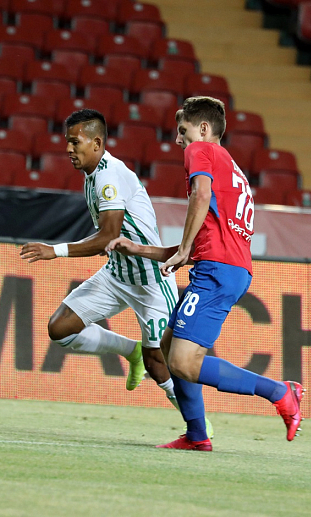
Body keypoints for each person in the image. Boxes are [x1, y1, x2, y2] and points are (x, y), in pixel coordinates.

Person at [106, 96, 304, 451]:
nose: (178, 140)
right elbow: (202, 242)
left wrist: (184, 249)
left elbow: (199, 196)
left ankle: (280, 391)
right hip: (226, 268)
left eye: (183, 131)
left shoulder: (202, 150)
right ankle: (197, 434)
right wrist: (140, 249)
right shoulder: (231, 167)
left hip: (217, 271)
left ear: (202, 128)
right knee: (168, 346)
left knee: (183, 362)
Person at [20, 109, 213, 436]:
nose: (68, 149)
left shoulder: (109, 176)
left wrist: (56, 250)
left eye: (75, 142)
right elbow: (110, 238)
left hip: (151, 280)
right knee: (60, 329)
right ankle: (130, 350)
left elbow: (108, 234)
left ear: (96, 143)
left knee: (161, 363)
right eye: (67, 141)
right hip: (117, 274)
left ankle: (199, 427)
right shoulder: (92, 174)